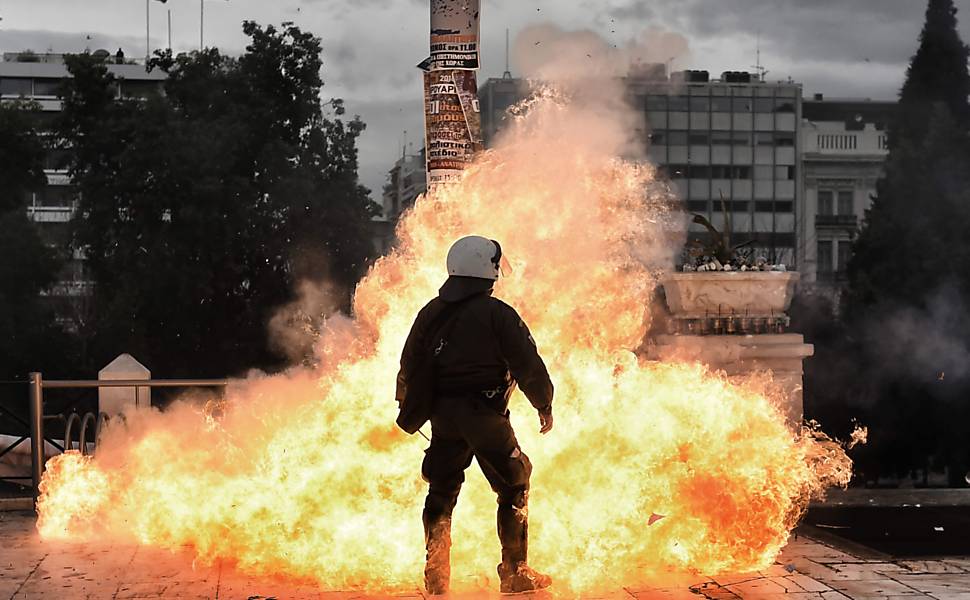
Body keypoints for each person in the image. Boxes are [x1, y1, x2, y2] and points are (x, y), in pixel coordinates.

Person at [396, 235, 555, 595]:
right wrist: (543, 404)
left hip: (443, 417)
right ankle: (514, 572)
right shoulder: (498, 314)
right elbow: (527, 364)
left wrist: (406, 401)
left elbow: (408, 363)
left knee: (441, 489)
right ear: (488, 271)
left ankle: (436, 574)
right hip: (485, 416)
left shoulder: (430, 312)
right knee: (514, 483)